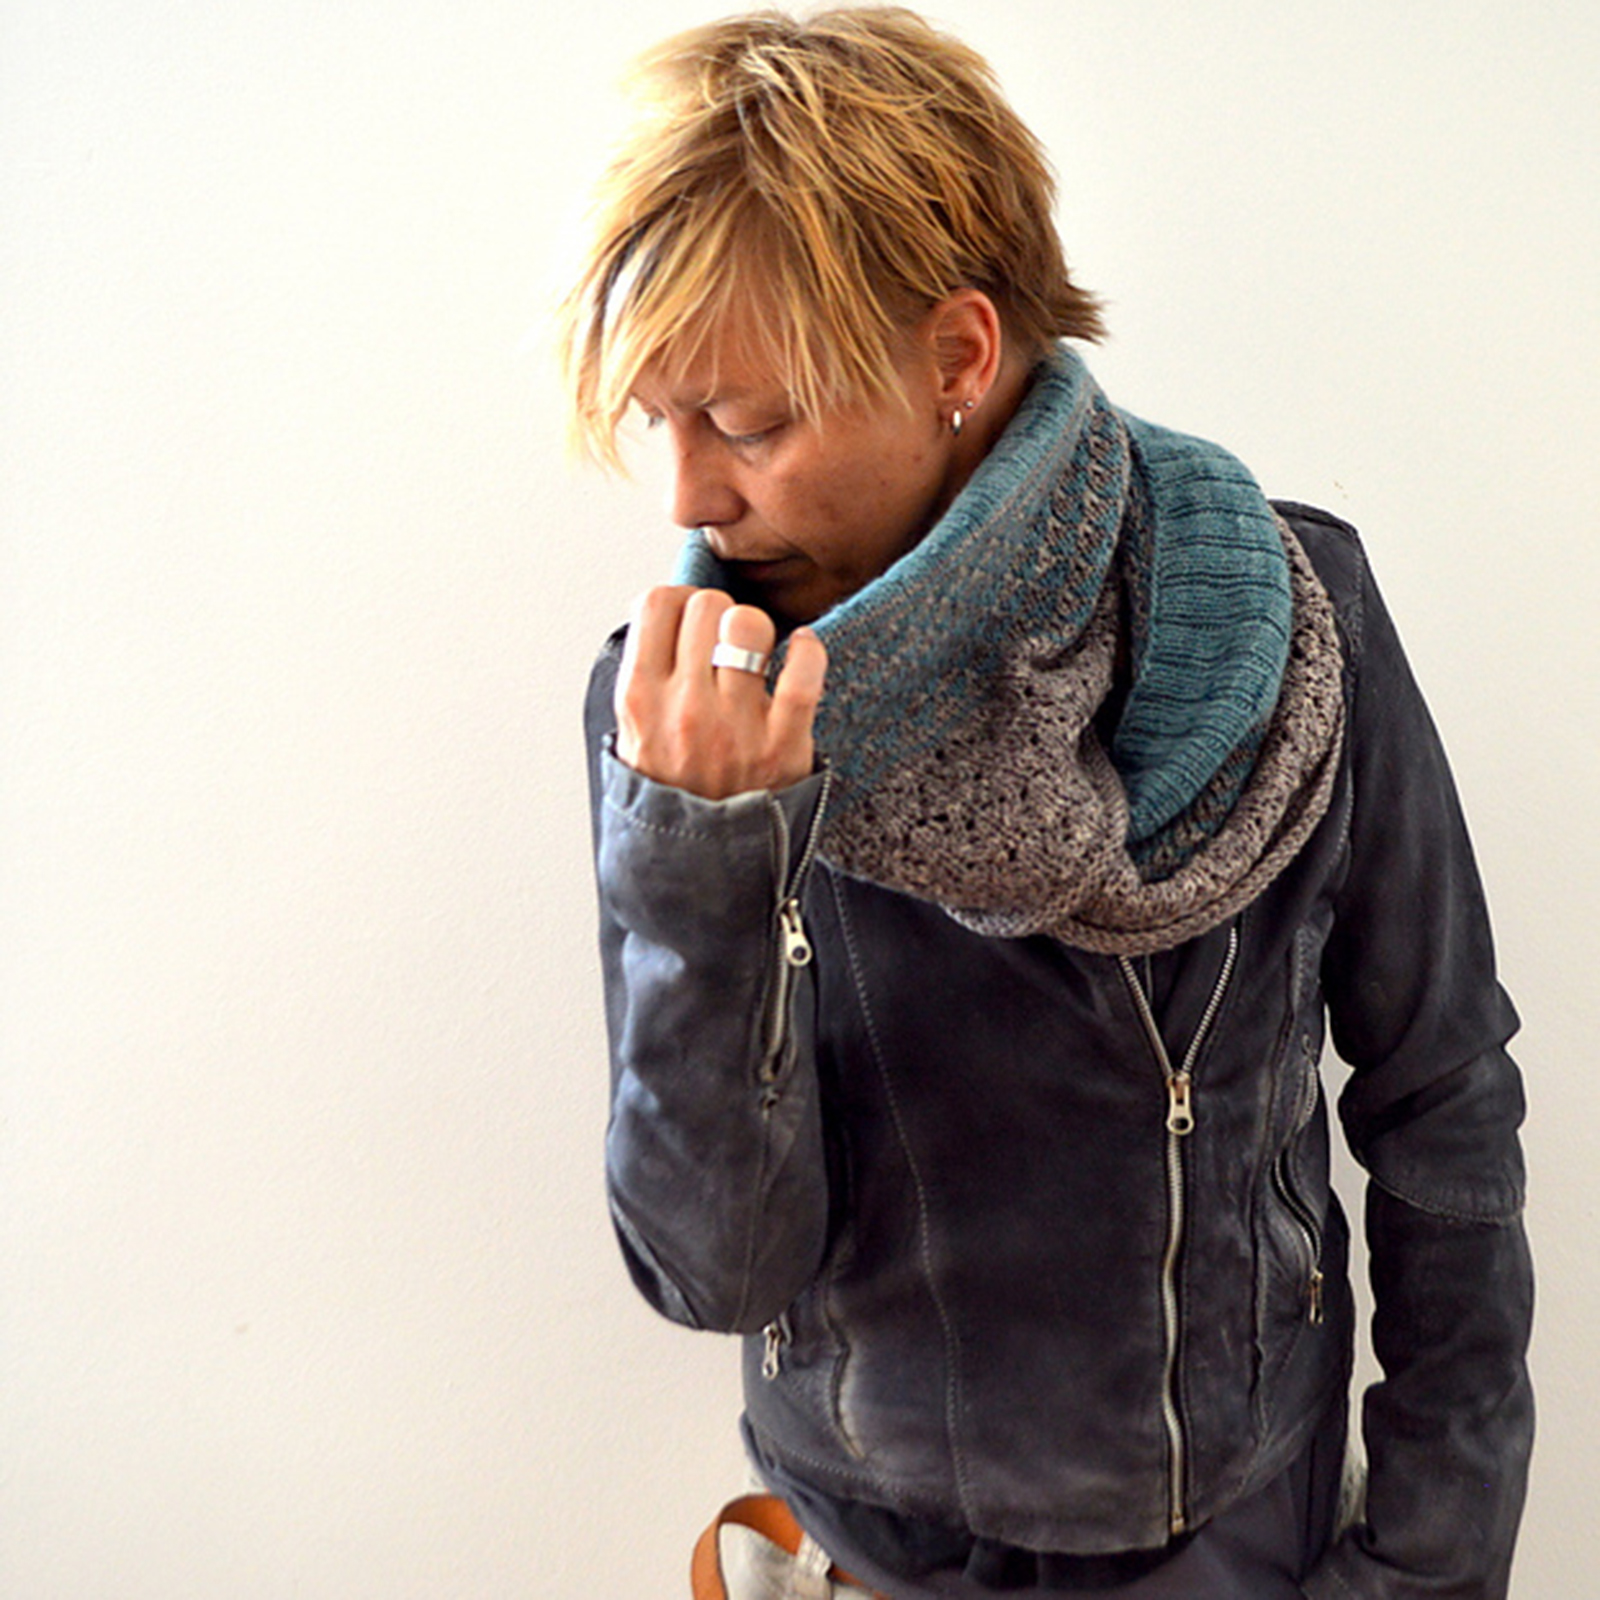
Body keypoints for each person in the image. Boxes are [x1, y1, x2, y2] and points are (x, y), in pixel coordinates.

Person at [560, 8, 1533, 1597]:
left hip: (1235, 1535)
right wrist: (703, 861)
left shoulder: (1296, 621)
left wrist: (1434, 1559)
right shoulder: (684, 714)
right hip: (869, 1552)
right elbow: (713, 1271)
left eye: (746, 423)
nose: (688, 496)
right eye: (658, 420)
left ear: (957, 357)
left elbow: (1443, 1095)